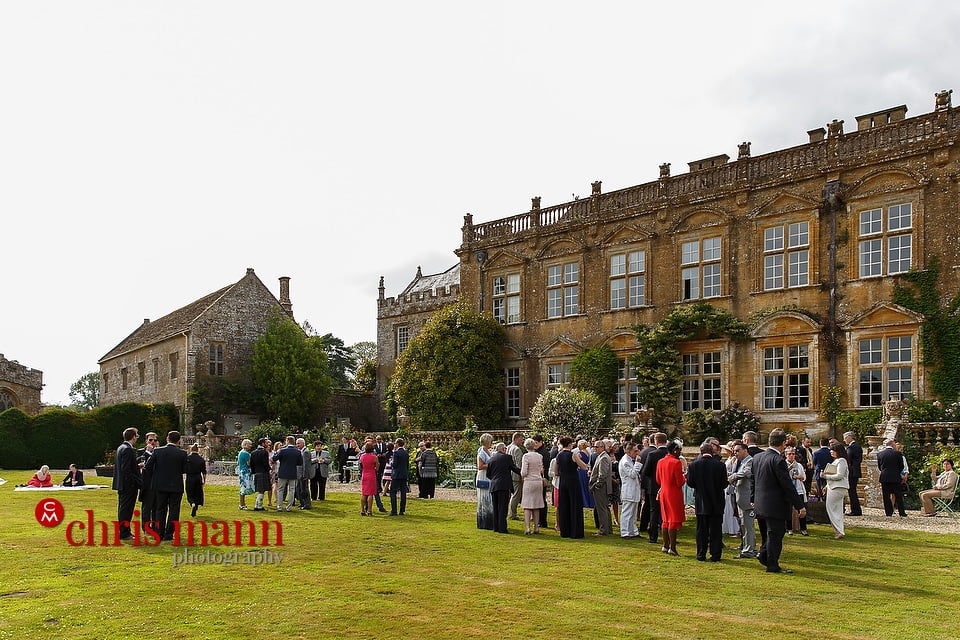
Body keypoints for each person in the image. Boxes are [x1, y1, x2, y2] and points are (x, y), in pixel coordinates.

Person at [753, 428, 807, 574]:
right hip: (775, 504)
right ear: (783, 443)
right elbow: (787, 485)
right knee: (775, 534)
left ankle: (764, 554)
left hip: (760, 502)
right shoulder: (778, 460)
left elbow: (754, 480)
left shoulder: (758, 457)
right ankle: (772, 564)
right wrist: (800, 505)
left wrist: (753, 499)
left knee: (768, 533)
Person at [685, 442, 727, 562]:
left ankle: (701, 554)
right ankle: (715, 554)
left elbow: (690, 483)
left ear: (700, 451)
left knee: (701, 530)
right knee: (716, 530)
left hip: (701, 501)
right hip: (716, 501)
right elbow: (724, 484)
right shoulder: (720, 466)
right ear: (712, 452)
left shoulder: (693, 465)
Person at [144, 431, 188, 541]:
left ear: (167, 439)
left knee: (160, 509)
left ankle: (159, 532)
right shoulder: (182, 453)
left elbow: (148, 466)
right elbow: (184, 469)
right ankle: (169, 534)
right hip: (175, 485)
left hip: (160, 485)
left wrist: (157, 474)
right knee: (174, 510)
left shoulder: (158, 451)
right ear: (178, 441)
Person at [556, 436, 589, 538]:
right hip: (573, 481)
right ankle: (575, 531)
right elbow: (583, 466)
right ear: (570, 444)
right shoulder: (573, 455)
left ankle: (565, 531)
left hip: (563, 481)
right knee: (575, 505)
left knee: (564, 506)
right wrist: (579, 459)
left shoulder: (559, 455)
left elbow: (556, 471)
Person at [656, 441, 685, 556]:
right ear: (675, 450)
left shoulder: (660, 461)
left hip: (663, 491)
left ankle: (665, 545)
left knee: (665, 519)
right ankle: (672, 547)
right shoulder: (676, 462)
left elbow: (658, 479)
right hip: (673, 493)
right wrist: (684, 477)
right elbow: (679, 482)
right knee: (673, 519)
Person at [728, 441, 757, 559]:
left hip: (746, 499)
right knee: (744, 525)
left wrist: (733, 477)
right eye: (734, 451)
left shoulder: (750, 461)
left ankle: (750, 549)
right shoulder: (741, 462)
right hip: (740, 498)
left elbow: (746, 473)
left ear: (745, 450)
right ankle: (747, 547)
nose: (735, 453)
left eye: (737, 451)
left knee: (748, 526)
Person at [112, 427, 141, 540]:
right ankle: (124, 533)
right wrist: (138, 482)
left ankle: (124, 531)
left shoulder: (121, 447)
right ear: (133, 437)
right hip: (128, 485)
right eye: (136, 435)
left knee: (123, 508)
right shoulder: (128, 449)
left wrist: (137, 465)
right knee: (126, 509)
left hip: (121, 483)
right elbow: (126, 470)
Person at [641, 432, 669, 545]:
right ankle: (669, 536)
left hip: (653, 487)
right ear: (666, 441)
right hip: (667, 486)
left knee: (654, 511)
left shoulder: (652, 455)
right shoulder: (670, 453)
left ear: (656, 442)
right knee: (666, 512)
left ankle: (653, 536)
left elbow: (646, 471)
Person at [821, 442, 849, 539]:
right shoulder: (837, 461)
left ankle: (839, 531)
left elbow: (839, 475)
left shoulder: (842, 461)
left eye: (833, 450)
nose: (831, 452)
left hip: (837, 487)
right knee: (836, 510)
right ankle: (839, 530)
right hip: (833, 487)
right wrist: (827, 486)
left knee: (831, 509)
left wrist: (825, 476)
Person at [520, 438, 546, 535]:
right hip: (538, 481)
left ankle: (527, 528)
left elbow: (524, 472)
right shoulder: (539, 456)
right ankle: (536, 527)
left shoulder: (526, 456)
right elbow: (541, 469)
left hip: (529, 481)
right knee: (536, 505)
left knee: (527, 506)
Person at [589, 438, 613, 536]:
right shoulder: (602, 456)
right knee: (605, 508)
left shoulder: (603, 458)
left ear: (602, 447)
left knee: (602, 509)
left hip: (601, 487)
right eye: (594, 446)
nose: (595, 448)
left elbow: (602, 474)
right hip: (602, 486)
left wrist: (597, 485)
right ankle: (608, 529)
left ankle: (604, 530)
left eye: (597, 447)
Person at [877, 438, 908, 517]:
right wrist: (897, 472)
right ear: (892, 445)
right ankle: (901, 512)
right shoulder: (897, 454)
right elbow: (901, 466)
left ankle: (888, 512)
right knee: (898, 495)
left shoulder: (880, 454)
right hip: (895, 476)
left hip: (884, 476)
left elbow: (880, 467)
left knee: (886, 495)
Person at [137, 432, 159, 534]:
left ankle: (155, 526)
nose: (153, 442)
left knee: (157, 507)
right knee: (147, 507)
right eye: (150, 440)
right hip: (146, 482)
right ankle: (146, 528)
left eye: (154, 440)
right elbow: (136, 463)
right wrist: (147, 452)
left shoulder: (159, 452)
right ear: (146, 441)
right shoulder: (141, 451)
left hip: (157, 483)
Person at [272, 436, 302, 512]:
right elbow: (300, 463)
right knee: (292, 490)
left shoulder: (282, 450)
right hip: (292, 473)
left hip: (283, 472)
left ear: (287, 441)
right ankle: (289, 507)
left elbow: (274, 458)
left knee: (280, 489)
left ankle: (279, 506)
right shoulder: (298, 452)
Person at [618, 442, 641, 539]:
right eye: (635, 451)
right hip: (628, 490)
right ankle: (625, 532)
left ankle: (633, 531)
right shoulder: (625, 461)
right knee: (627, 512)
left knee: (633, 513)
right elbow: (632, 474)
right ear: (628, 451)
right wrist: (638, 463)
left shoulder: (630, 460)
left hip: (634, 489)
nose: (637, 452)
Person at [784, 447, 808, 536]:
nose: (791, 456)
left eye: (793, 454)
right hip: (788, 491)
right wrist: (789, 469)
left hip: (798, 490)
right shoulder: (783, 464)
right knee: (788, 510)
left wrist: (798, 477)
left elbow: (804, 477)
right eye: (789, 454)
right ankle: (789, 528)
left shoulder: (799, 465)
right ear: (786, 455)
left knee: (801, 510)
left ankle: (803, 528)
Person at [475, 433, 495, 530]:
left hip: (488, 476)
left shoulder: (488, 451)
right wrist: (492, 465)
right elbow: (480, 466)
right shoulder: (481, 452)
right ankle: (484, 522)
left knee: (489, 498)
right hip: (483, 476)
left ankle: (490, 521)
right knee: (484, 498)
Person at [532, 434, 551, 530]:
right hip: (538, 477)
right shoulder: (538, 451)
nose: (534, 444)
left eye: (536, 443)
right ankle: (538, 519)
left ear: (541, 442)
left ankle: (543, 521)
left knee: (542, 499)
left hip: (542, 477)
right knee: (538, 499)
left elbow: (545, 467)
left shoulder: (544, 453)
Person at [843, 431, 864, 516]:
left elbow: (848, 458)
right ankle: (856, 509)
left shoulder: (852, 447)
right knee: (852, 491)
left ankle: (855, 510)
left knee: (852, 491)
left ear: (849, 437)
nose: (844, 440)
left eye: (845, 438)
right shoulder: (857, 446)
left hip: (852, 471)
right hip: (855, 470)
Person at [506, 432, 525, 519]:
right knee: (516, 495)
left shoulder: (508, 447)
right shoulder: (517, 449)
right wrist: (521, 476)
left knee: (511, 495)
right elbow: (519, 465)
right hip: (515, 475)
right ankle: (513, 514)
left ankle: (510, 512)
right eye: (521, 440)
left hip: (509, 474)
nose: (522, 442)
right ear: (516, 439)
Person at [388, 438, 409, 516]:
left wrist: (391, 462)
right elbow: (407, 465)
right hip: (404, 474)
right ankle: (402, 510)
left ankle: (394, 511)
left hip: (396, 475)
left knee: (393, 492)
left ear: (397, 444)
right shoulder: (406, 452)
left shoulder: (396, 453)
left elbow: (395, 464)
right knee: (403, 493)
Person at [250, 437, 272, 511]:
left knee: (260, 490)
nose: (267, 444)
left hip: (256, 472)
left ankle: (257, 505)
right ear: (262, 444)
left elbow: (251, 464)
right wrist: (269, 469)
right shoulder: (264, 452)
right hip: (263, 472)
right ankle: (259, 506)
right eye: (266, 443)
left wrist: (254, 472)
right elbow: (265, 464)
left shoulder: (253, 452)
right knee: (262, 490)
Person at [185, 443, 205, 518]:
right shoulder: (201, 459)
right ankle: (195, 507)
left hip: (190, 477)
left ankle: (192, 503)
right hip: (198, 477)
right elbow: (204, 471)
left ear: (191, 450)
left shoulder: (187, 458)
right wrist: (204, 480)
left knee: (189, 492)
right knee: (197, 493)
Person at [358, 441, 379, 516]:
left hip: (364, 474)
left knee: (364, 493)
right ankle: (369, 510)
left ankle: (362, 510)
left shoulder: (362, 456)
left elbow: (361, 466)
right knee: (370, 494)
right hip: (371, 474)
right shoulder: (374, 457)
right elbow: (377, 468)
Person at [576, 439, 595, 514]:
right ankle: (590, 502)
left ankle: (584, 502)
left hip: (581, 471)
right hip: (587, 470)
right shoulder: (588, 452)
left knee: (582, 487)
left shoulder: (579, 453)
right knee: (587, 486)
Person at [296, 438, 315, 510]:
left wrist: (305, 475)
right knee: (299, 489)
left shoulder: (305, 452)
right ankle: (302, 503)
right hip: (299, 474)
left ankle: (307, 504)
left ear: (303, 443)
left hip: (303, 474)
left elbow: (306, 465)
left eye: (298, 443)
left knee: (304, 489)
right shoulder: (300, 451)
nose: (297, 445)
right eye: (297, 443)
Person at [237, 438, 255, 510]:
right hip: (246, 472)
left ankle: (242, 504)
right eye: (249, 444)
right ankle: (242, 504)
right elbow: (249, 463)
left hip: (242, 471)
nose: (250, 446)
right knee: (243, 488)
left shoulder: (241, 452)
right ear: (245, 445)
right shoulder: (246, 453)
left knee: (243, 488)